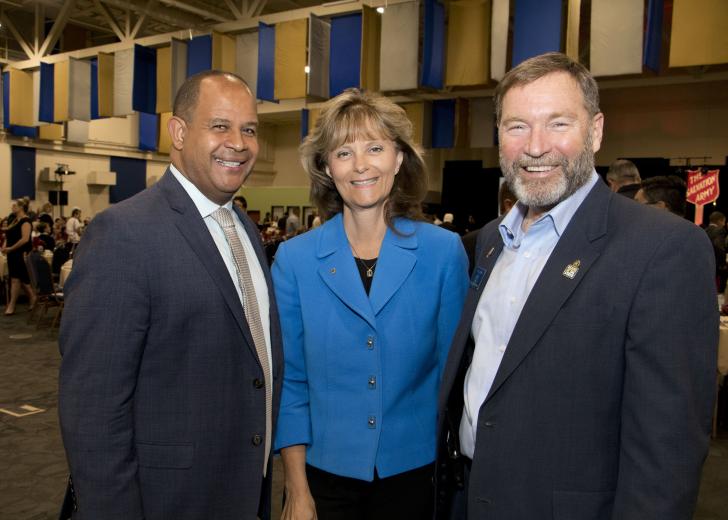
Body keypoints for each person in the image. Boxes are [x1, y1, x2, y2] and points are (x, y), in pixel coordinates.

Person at [436, 52, 717, 519]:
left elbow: (667, 453)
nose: (535, 146)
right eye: (517, 126)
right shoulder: (488, 242)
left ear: (596, 130)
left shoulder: (663, 248)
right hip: (470, 499)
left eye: (558, 123)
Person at [58, 70, 283, 520]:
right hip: (166, 500)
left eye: (249, 129)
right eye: (220, 126)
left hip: (241, 493)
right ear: (178, 133)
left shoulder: (245, 229)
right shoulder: (123, 233)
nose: (238, 143)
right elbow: (93, 410)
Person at [273, 88, 468, 520]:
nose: (360, 165)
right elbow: (292, 384)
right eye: (344, 152)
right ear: (328, 168)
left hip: (415, 478)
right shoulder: (295, 260)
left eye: (375, 148)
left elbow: (451, 379)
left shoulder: (443, 253)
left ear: (398, 159)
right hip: (323, 478)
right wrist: (296, 490)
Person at [1, 199, 37, 315]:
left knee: (16, 279)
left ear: (21, 207)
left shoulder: (26, 221)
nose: (12, 207)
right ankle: (33, 297)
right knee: (21, 279)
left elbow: (25, 239)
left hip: (20, 253)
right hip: (12, 253)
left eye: (15, 205)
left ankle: (12, 305)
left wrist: (11, 248)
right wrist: (5, 245)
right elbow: (9, 235)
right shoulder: (14, 220)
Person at [705, 210, 727, 292]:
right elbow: (719, 247)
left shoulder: (704, 230)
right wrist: (723, 264)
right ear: (719, 221)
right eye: (723, 221)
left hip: (705, 263)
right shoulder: (720, 230)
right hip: (716, 264)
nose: (724, 224)